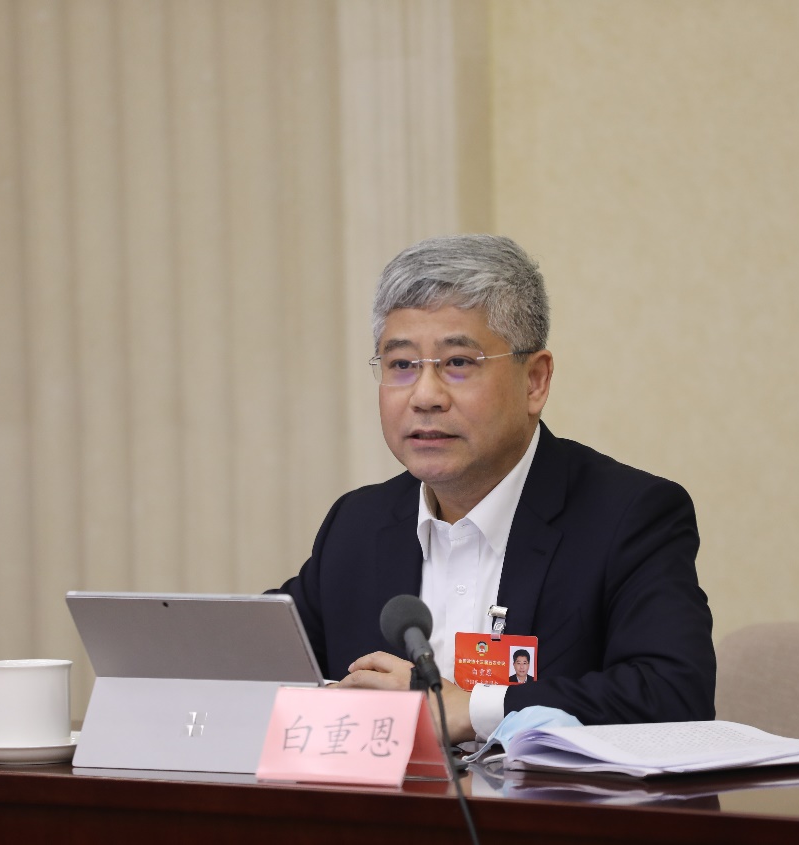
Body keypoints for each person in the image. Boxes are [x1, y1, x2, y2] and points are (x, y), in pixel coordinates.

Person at [276, 234, 715, 745]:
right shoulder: (358, 523)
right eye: (402, 365)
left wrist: (471, 710)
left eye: (458, 363)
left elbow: (673, 694)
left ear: (535, 381)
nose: (425, 396)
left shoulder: (628, 516)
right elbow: (263, 659)